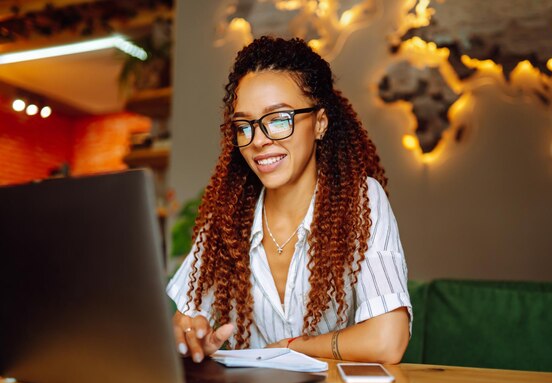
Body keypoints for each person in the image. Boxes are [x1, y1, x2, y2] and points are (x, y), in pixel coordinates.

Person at [167, 36, 411, 364]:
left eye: (279, 119)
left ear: (320, 123)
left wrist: (292, 347)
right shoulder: (226, 218)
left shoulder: (360, 201)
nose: (258, 141)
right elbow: (185, 322)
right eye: (244, 126)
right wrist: (190, 334)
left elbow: (387, 340)